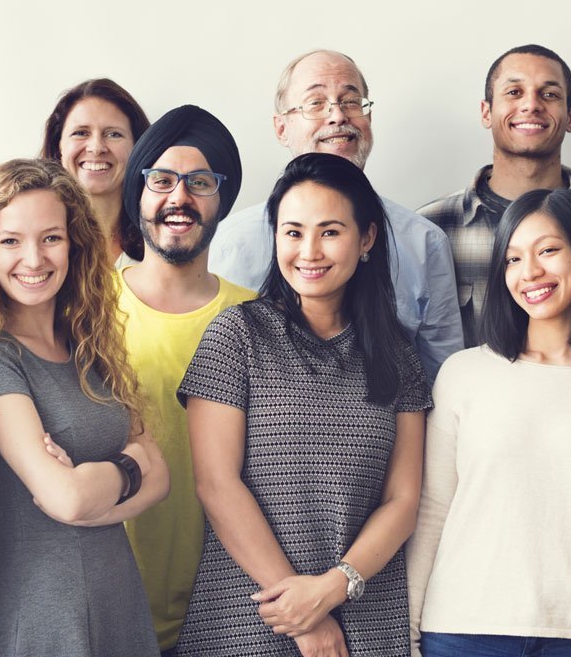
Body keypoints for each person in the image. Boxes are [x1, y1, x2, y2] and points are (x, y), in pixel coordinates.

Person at [177, 153, 430, 657]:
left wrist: (332, 588)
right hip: (249, 616)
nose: (308, 250)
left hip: (364, 618)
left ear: (367, 239)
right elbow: (216, 484)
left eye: (329, 231)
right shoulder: (237, 334)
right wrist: (303, 618)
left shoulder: (398, 356)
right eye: (292, 232)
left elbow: (402, 502)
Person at [0, 159, 168, 657]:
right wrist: (129, 468)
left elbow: (162, 477)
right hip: (42, 616)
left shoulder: (89, 345)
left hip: (120, 600)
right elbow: (68, 500)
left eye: (51, 238)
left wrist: (106, 482)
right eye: (10, 240)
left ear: (74, 244)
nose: (33, 258)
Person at [407, 189, 571, 657]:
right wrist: (407, 632)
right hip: (464, 629)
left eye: (548, 250)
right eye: (512, 258)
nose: (530, 273)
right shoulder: (464, 374)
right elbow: (433, 511)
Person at [211, 49, 462, 383]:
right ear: (281, 128)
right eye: (316, 103)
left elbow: (441, 380)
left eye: (350, 101)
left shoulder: (424, 241)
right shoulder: (232, 241)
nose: (337, 116)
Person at [118, 104, 257, 654]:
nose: (179, 198)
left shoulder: (258, 318)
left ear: (221, 200)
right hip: (109, 597)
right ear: (139, 192)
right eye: (162, 180)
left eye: (199, 182)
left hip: (222, 606)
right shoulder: (82, 306)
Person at [420, 44, 571, 346]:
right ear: (486, 112)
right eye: (514, 93)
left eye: (549, 94)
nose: (531, 105)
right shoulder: (430, 229)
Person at [39, 77, 151, 264]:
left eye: (113, 134)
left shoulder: (159, 239)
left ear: (137, 147)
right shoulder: (32, 239)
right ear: (58, 145)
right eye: (81, 133)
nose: (97, 148)